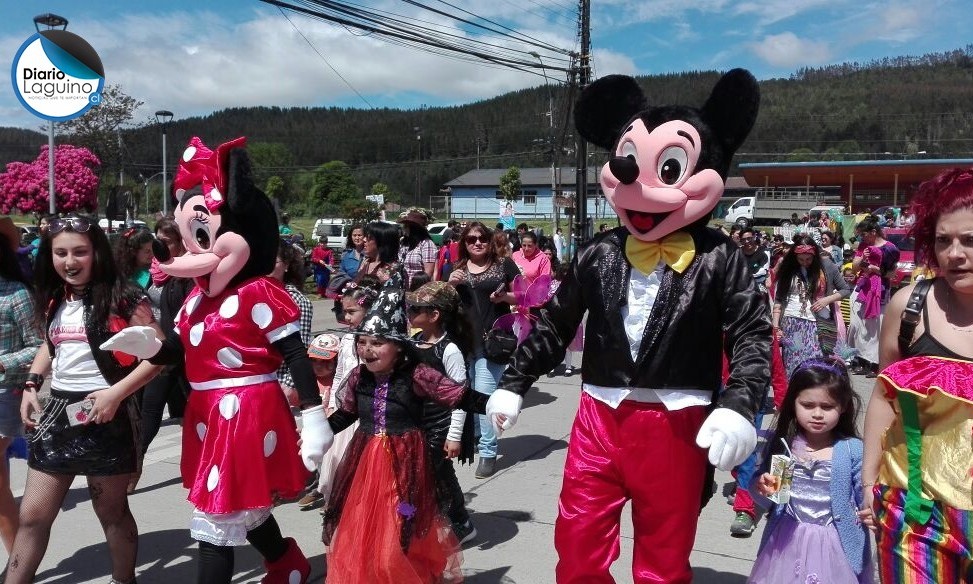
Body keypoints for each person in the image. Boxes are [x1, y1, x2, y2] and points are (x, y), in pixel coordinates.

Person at [492, 70, 767, 583]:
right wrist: (513, 382)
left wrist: (739, 404)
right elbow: (555, 323)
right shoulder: (600, 252)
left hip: (677, 420)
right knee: (576, 542)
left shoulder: (720, 258)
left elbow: (751, 333)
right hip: (600, 414)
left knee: (664, 551)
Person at [103, 137, 326, 583]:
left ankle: (283, 565)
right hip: (207, 410)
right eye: (191, 240)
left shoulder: (259, 291)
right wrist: (150, 346)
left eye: (203, 237)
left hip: (245, 409)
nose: (193, 254)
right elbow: (178, 353)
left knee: (216, 516)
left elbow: (295, 353)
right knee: (241, 506)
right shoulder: (197, 300)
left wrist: (315, 414)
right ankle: (287, 564)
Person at [7, 215, 164, 584]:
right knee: (32, 515)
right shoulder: (56, 297)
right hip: (59, 414)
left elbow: (161, 355)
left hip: (107, 414)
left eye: (80, 252)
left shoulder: (124, 297)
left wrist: (115, 394)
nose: (69, 261)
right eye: (60, 253)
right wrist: (32, 383)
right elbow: (53, 343)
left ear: (97, 253)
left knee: (111, 513)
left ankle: (124, 580)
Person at [319, 287, 488, 582]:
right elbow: (346, 413)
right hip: (366, 462)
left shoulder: (416, 375)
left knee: (401, 524)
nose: (367, 349)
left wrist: (494, 404)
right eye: (363, 342)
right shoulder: (360, 377)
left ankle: (401, 571)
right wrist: (316, 432)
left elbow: (455, 395)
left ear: (398, 348)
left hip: (405, 461)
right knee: (366, 526)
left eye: (378, 343)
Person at [860, 167, 973, 583]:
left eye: (970, 240)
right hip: (913, 512)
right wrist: (867, 483)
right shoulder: (909, 308)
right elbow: (882, 395)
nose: (955, 254)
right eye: (944, 241)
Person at [748, 358, 872, 583]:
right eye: (808, 405)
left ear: (843, 407)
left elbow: (865, 494)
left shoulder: (851, 449)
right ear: (793, 404)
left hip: (836, 543)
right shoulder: (785, 445)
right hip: (787, 538)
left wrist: (873, 510)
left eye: (827, 407)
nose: (817, 414)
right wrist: (763, 486)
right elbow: (773, 496)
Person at [406, 281, 478, 544]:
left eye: (415, 308)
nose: (409, 313)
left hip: (440, 427)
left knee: (441, 478)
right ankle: (409, 520)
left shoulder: (449, 350)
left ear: (434, 315)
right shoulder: (414, 342)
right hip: (415, 424)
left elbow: (460, 395)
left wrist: (454, 435)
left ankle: (462, 523)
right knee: (410, 476)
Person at [447, 222, 518, 479]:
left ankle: (488, 451)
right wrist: (450, 285)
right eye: (471, 239)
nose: (477, 243)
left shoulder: (504, 265)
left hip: (494, 340)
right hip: (466, 342)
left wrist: (504, 298)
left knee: (486, 395)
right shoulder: (457, 269)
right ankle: (478, 438)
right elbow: (443, 303)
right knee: (473, 393)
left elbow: (524, 295)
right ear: (464, 244)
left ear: (490, 241)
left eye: (483, 239)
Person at [313, 277, 382, 515]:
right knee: (337, 461)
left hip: (365, 413)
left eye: (352, 311)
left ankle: (361, 507)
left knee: (362, 464)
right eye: (345, 312)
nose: (347, 317)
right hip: (344, 410)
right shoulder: (347, 340)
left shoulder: (378, 342)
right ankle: (340, 504)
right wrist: (332, 403)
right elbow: (341, 373)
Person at [137, 219, 194, 490]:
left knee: (193, 415)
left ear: (182, 243)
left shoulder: (188, 272)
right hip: (159, 350)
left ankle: (201, 467)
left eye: (167, 241)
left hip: (181, 353)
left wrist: (169, 347)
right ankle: (131, 473)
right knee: (150, 413)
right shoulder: (157, 269)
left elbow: (188, 318)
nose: (160, 245)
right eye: (157, 240)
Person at [0, 217, 41, 554]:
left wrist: (2, 362)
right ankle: (18, 563)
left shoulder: (16, 293)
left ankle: (17, 565)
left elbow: (39, 346)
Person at [771, 234, 851, 376]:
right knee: (792, 366)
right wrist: (776, 327)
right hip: (791, 322)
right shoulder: (789, 269)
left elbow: (845, 290)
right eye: (800, 259)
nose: (805, 262)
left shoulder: (827, 266)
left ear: (815, 255)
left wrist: (826, 300)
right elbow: (779, 299)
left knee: (815, 366)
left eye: (808, 259)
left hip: (817, 324)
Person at [847, 216, 900, 378]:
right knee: (857, 326)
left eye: (864, 234)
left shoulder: (890, 248)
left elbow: (892, 273)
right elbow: (855, 267)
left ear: (874, 232)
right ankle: (861, 359)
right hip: (862, 289)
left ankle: (874, 363)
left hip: (880, 291)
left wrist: (877, 270)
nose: (862, 238)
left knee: (876, 328)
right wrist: (863, 258)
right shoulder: (864, 246)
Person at [294, 333, 341, 512]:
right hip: (312, 428)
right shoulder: (309, 382)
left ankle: (330, 495)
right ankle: (318, 488)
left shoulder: (338, 381)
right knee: (316, 462)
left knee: (333, 464)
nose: (319, 366)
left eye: (326, 361)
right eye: (315, 361)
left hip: (334, 427)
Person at [272, 241, 314, 408]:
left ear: (287, 265)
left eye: (273, 261)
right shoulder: (249, 294)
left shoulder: (297, 300)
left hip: (278, 384)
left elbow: (300, 349)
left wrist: (288, 386)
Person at [397, 208, 437, 290]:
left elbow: (428, 273)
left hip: (417, 289)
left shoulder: (426, 244)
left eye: (407, 226)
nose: (404, 228)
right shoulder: (403, 243)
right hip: (402, 288)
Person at [114, 228, 154, 292]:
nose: (152, 254)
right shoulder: (120, 271)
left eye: (153, 249)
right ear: (133, 251)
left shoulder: (155, 270)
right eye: (147, 251)